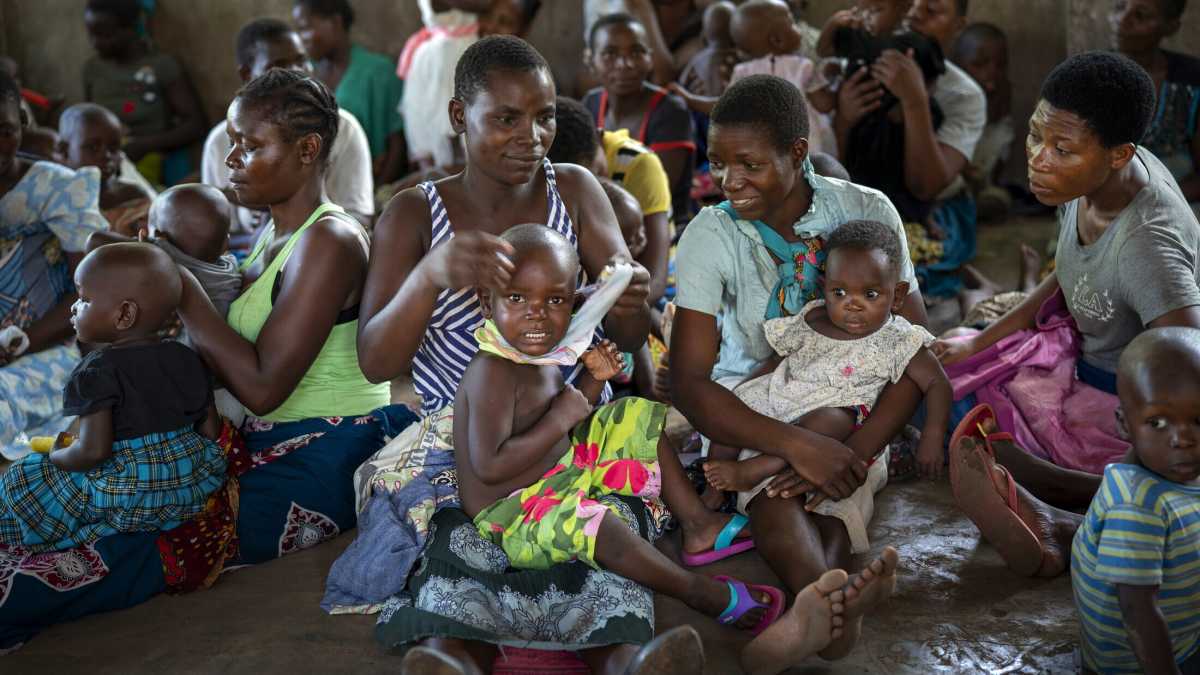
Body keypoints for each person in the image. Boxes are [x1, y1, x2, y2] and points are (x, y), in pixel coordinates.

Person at [321, 36, 799, 674]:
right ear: (461, 116)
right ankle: (451, 652)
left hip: (570, 417)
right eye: (506, 118)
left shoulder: (573, 189)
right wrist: (429, 276)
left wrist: (628, 308)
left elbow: (624, 332)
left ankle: (626, 658)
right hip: (456, 431)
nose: (533, 135)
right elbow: (377, 362)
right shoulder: (415, 213)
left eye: (544, 116)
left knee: (603, 525)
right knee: (461, 532)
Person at [0, 67, 413, 651]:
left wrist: (179, 288)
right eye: (233, 143)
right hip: (257, 437)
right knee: (91, 494)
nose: (233, 160)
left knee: (157, 538)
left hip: (323, 448)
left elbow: (264, 387)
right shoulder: (271, 237)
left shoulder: (330, 241)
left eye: (250, 145)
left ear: (307, 150)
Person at [670, 74, 920, 671]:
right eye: (718, 164)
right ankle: (835, 617)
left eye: (749, 164)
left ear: (798, 153)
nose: (730, 182)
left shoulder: (865, 210)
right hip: (750, 416)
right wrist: (795, 446)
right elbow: (690, 382)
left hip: (851, 418)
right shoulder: (712, 234)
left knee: (822, 497)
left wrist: (849, 449)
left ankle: (819, 610)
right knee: (779, 498)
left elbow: (911, 353)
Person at [935, 52, 1200, 580]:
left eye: (1061, 149)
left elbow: (1188, 363)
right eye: (1035, 137)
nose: (1038, 157)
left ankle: (1068, 502)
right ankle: (1035, 483)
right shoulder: (1088, 180)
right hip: (1074, 347)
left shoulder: (1149, 246)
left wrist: (1150, 438)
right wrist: (979, 342)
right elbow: (1067, 273)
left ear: (1120, 153)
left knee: (951, 414)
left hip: (1116, 401)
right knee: (949, 363)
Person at [457, 223, 790, 636]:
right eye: (517, 298)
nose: (537, 313)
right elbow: (490, 467)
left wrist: (594, 379)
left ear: (574, 301)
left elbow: (564, 408)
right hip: (513, 509)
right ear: (486, 303)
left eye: (555, 300)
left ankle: (699, 524)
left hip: (555, 469)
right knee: (595, 522)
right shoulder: (491, 370)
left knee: (632, 413)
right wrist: (567, 414)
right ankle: (694, 590)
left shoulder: (536, 345)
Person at [704, 220, 951, 535]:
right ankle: (711, 497)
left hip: (833, 414)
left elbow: (937, 382)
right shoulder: (813, 316)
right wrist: (744, 392)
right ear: (825, 287)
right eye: (840, 292)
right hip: (782, 397)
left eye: (871, 294)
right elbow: (776, 361)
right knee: (733, 412)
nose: (853, 304)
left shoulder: (898, 338)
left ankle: (758, 469)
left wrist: (932, 435)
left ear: (897, 295)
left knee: (831, 421)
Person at [0, 243, 225, 551]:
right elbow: (211, 432)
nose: (73, 308)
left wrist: (55, 454)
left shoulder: (95, 371)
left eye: (83, 299)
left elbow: (92, 453)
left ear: (124, 314)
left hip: (125, 497)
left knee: (23, 476)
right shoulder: (187, 356)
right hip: (188, 493)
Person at [1067, 327, 1200, 674]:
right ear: (1125, 425)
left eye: (1199, 420)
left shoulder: (1175, 469)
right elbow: (1137, 615)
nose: (1182, 439)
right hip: (1144, 662)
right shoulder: (1138, 506)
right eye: (1157, 422)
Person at [831, 0, 985, 298]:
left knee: (907, 268)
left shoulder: (964, 94)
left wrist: (915, 102)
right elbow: (831, 166)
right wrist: (843, 120)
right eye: (910, 5)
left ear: (958, 26)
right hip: (858, 197)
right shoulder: (859, 67)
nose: (915, 16)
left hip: (928, 207)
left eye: (932, 10)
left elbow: (925, 186)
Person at [0, 70, 110, 461]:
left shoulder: (57, 188)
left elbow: (93, 290)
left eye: (6, 130)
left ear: (24, 124)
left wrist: (21, 342)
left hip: (54, 343)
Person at [202, 18, 374, 240]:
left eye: (302, 61)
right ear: (246, 75)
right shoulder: (219, 141)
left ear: (308, 149)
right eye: (279, 65)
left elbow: (359, 216)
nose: (297, 71)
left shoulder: (343, 129)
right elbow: (221, 231)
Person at [549, 96, 671, 306]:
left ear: (599, 136)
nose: (591, 188)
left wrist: (600, 308)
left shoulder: (639, 164)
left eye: (594, 172)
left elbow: (655, 283)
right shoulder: (551, 179)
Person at [584, 13, 697, 222]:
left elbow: (655, 194)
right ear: (590, 59)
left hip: (664, 227)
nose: (624, 64)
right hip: (605, 222)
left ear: (650, 58)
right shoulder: (591, 103)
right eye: (610, 53)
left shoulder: (670, 111)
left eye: (637, 52)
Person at [82, 0, 207, 186]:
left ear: (131, 29)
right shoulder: (92, 70)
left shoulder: (161, 66)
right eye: (92, 35)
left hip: (148, 158)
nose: (95, 43)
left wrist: (144, 145)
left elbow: (195, 125)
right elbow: (89, 120)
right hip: (106, 160)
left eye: (105, 35)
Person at [292, 0, 406, 184]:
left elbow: (396, 145)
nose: (300, 38)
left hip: (367, 184)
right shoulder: (304, 75)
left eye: (305, 28)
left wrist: (376, 195)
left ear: (335, 23)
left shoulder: (378, 71)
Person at [1111, 0, 1200, 211]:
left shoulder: (1191, 82)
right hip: (1107, 203)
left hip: (1178, 203)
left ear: (1170, 27)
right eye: (1119, 7)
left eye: (1140, 15)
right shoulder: (1087, 78)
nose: (1121, 21)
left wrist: (1150, 197)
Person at [57, 103, 155, 236]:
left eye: (114, 148)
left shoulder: (132, 196)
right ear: (64, 151)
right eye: (93, 147)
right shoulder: (55, 198)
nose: (107, 156)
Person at [951, 22, 1014, 222]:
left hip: (979, 183)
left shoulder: (1000, 100)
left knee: (998, 199)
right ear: (957, 65)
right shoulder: (946, 99)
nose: (991, 72)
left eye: (1000, 65)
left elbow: (997, 163)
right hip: (946, 180)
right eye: (979, 64)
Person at [677, 1, 740, 100]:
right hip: (727, 106)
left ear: (703, 35)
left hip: (700, 105)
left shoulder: (698, 58)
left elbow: (682, 82)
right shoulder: (737, 57)